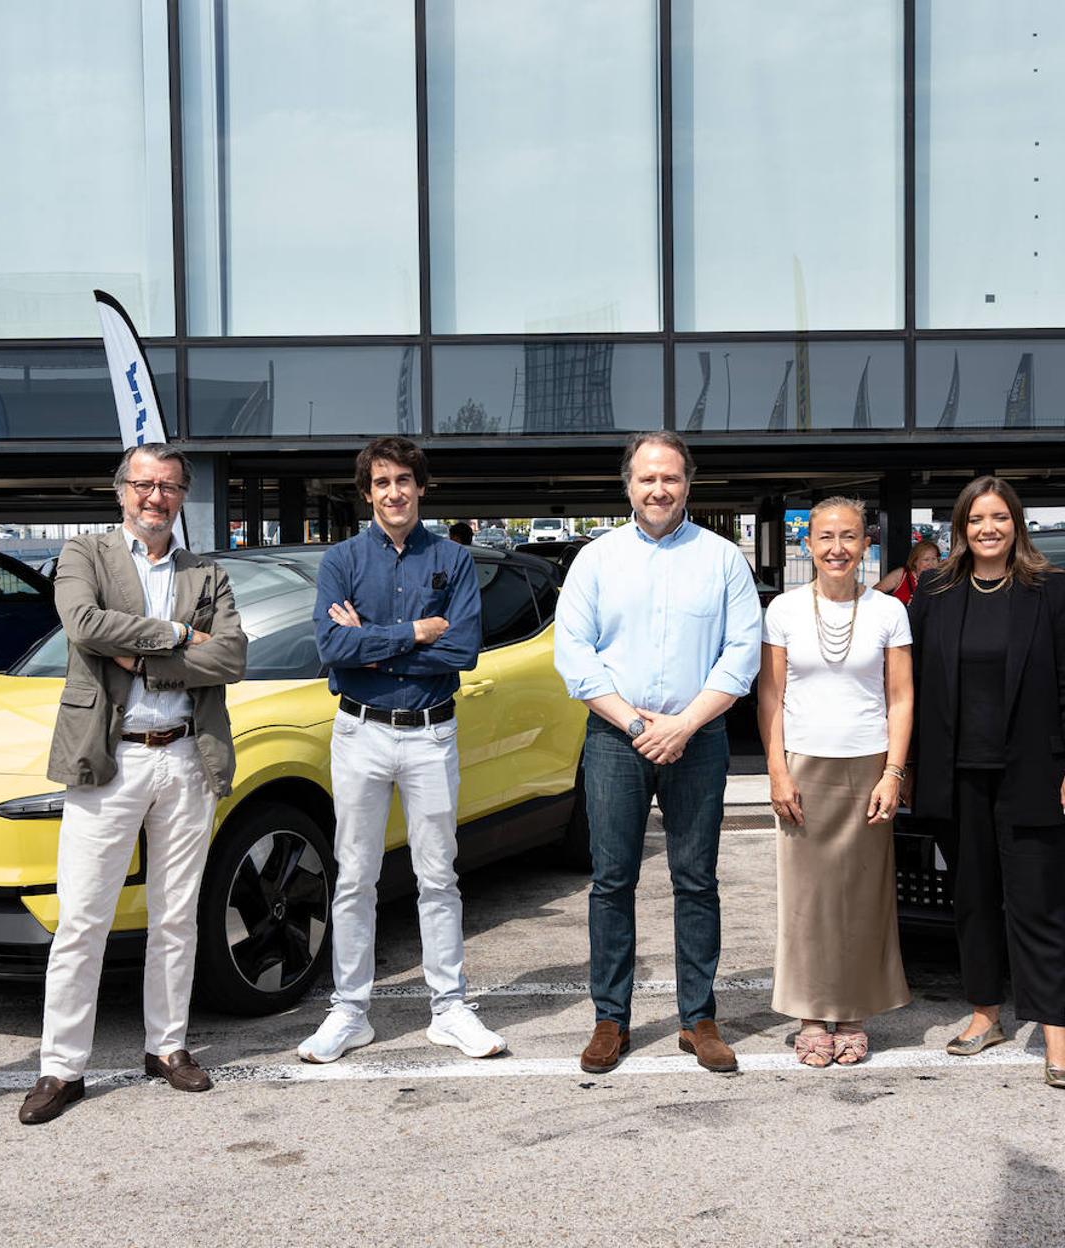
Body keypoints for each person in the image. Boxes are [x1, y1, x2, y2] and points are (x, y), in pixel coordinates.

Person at [19, 444, 247, 1124]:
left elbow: (232, 656)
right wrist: (178, 634)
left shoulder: (205, 571)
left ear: (181, 497)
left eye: (169, 487)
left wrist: (144, 659)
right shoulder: (85, 554)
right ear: (122, 490)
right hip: (109, 759)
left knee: (176, 914)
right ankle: (62, 1067)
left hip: (186, 755)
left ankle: (167, 1047)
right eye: (145, 484)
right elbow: (83, 625)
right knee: (83, 918)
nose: (156, 497)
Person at [554, 431, 761, 1074]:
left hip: (698, 738)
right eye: (647, 478)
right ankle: (610, 1019)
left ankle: (698, 1018)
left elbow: (741, 654)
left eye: (670, 477)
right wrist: (635, 723)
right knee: (612, 881)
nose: (659, 489)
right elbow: (574, 655)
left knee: (696, 881)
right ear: (629, 485)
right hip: (615, 739)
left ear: (687, 484)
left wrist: (684, 725)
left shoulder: (723, 560)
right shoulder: (596, 560)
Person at [297, 436, 505, 1063]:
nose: (394, 492)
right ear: (367, 494)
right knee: (354, 876)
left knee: (437, 876)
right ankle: (349, 1011)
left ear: (421, 487)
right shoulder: (340, 561)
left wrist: (371, 641)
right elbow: (332, 649)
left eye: (404, 481)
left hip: (431, 734)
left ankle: (449, 1008)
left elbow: (462, 650)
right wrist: (414, 632)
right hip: (359, 733)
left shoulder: (453, 559)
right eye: (382, 482)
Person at [908, 476, 1065, 1090]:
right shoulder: (936, 593)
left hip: (1032, 773)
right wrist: (905, 765)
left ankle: (1056, 1030)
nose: (988, 529)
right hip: (957, 775)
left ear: (1016, 524)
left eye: (998, 517)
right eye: (976, 519)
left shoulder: (1050, 591)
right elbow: (909, 682)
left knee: (1038, 902)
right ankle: (985, 1014)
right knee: (971, 898)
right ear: (960, 528)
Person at [758, 497, 913, 1066]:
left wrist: (893, 772)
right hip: (803, 766)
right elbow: (771, 696)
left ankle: (852, 1012)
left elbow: (901, 698)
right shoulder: (784, 610)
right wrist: (777, 769)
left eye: (849, 536)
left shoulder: (888, 612)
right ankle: (810, 1013)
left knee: (864, 898)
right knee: (807, 901)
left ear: (866, 544)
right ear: (808, 544)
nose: (837, 548)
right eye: (825, 537)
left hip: (869, 765)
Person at [873, 538, 940, 606]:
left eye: (934, 559)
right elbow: (875, 593)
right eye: (926, 560)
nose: (931, 564)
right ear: (915, 561)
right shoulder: (902, 575)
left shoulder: (940, 579)